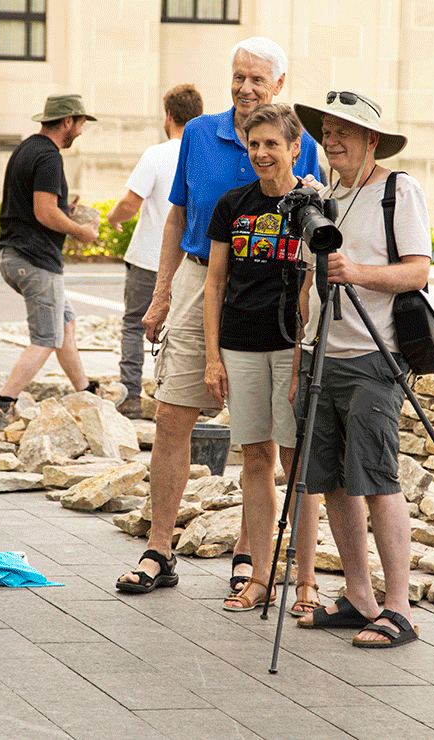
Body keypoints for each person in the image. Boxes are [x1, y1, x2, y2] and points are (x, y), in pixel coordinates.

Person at [115, 36, 322, 596]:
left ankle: (249, 556)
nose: (246, 88)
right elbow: (177, 217)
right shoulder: (201, 134)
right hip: (198, 278)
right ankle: (160, 548)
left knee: (264, 438)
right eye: (238, 77)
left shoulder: (299, 139)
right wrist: (160, 297)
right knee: (172, 417)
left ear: (279, 84)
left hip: (270, 292)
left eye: (258, 79)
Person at [291, 91, 429, 648]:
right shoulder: (328, 199)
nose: (332, 140)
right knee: (332, 484)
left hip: (376, 356)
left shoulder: (399, 191)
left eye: (345, 131)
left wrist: (357, 272)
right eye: (327, 130)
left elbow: (417, 273)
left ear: (373, 140)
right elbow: (311, 282)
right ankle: (357, 597)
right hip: (322, 353)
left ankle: (399, 610)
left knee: (377, 479)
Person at [203, 103, 323, 615]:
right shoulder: (232, 204)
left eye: (272, 144)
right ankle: (260, 577)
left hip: (291, 347)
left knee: (299, 464)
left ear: (295, 148)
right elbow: (214, 283)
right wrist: (213, 356)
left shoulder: (313, 206)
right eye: (254, 144)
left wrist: (301, 359)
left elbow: (314, 286)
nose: (261, 153)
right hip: (240, 345)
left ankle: (307, 583)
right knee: (255, 458)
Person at [0, 94, 103, 431]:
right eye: (80, 124)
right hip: (35, 260)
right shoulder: (49, 157)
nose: (80, 131)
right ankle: (2, 404)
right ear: (67, 121)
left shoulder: (26, 148)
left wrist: (65, 210)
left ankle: (86, 392)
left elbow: (37, 207)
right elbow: (44, 212)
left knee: (64, 326)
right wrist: (80, 231)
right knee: (46, 337)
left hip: (14, 254)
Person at [106, 84, 204, 419]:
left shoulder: (157, 154)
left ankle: (131, 396)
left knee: (134, 325)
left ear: (169, 116)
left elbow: (130, 203)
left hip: (148, 259)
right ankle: (191, 399)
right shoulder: (204, 155)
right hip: (191, 262)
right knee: (191, 330)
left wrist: (112, 219)